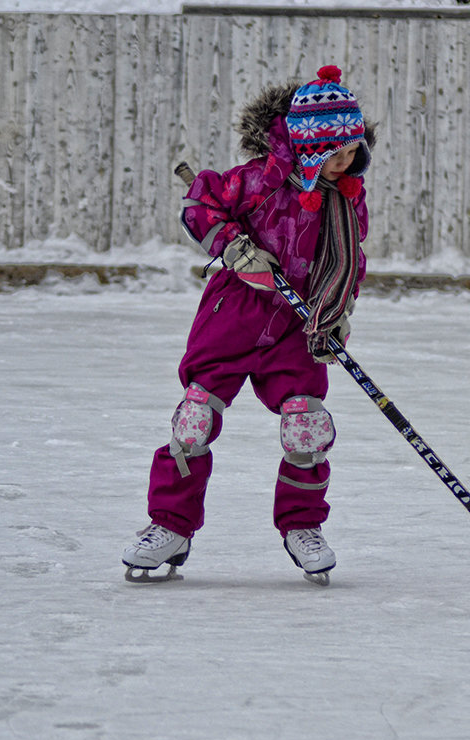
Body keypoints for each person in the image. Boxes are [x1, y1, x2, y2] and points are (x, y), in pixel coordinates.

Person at [122, 65, 375, 584]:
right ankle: (170, 526)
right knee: (193, 421)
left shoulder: (345, 196)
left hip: (297, 325)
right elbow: (201, 204)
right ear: (309, 147)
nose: (347, 162)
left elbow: (351, 257)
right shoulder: (258, 180)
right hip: (233, 316)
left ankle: (302, 526)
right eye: (337, 153)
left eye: (352, 151)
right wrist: (234, 248)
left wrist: (338, 311)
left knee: (306, 426)